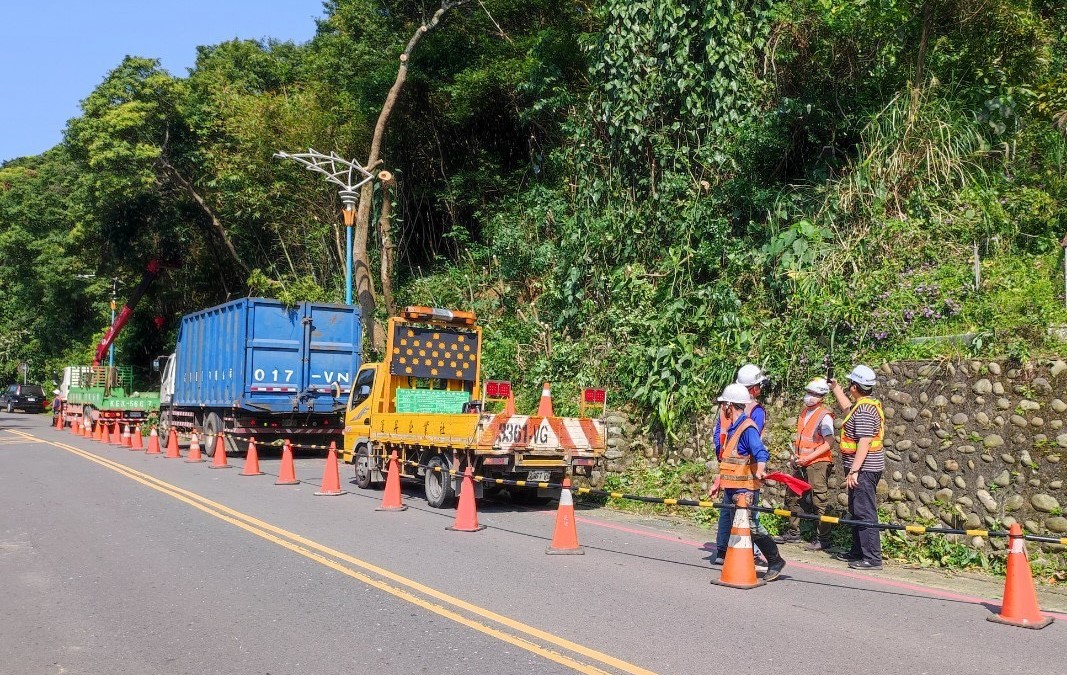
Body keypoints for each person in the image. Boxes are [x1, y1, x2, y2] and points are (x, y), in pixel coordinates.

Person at [709, 383, 786, 580]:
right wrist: (719, 482)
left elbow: (760, 451)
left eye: (724, 405)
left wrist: (760, 469)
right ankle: (739, 561)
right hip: (732, 488)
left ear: (729, 405)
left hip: (745, 489)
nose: (722, 409)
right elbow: (729, 461)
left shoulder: (746, 427)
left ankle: (775, 559)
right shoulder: (733, 428)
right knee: (740, 526)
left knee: (750, 525)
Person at [712, 364, 769, 564]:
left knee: (739, 517)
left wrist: (759, 468)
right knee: (739, 517)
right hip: (738, 474)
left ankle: (726, 551)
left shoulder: (737, 417)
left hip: (738, 474)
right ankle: (741, 552)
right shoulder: (752, 413)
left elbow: (756, 449)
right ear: (752, 388)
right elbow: (747, 447)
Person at [830, 365, 885, 570]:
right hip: (863, 468)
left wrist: (854, 470)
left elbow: (865, 441)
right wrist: (835, 388)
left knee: (864, 511)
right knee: (856, 509)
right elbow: (847, 409)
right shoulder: (865, 405)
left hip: (864, 469)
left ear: (854, 386)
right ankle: (858, 551)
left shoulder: (863, 410)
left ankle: (872, 557)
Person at [774, 378, 835, 550]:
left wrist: (809, 458)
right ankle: (793, 532)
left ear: (822, 396)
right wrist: (795, 458)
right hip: (801, 461)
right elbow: (801, 439)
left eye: (814, 394)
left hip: (818, 463)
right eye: (809, 392)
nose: (810, 396)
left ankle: (823, 539)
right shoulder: (804, 412)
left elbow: (829, 442)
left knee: (819, 500)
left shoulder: (824, 416)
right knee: (793, 495)